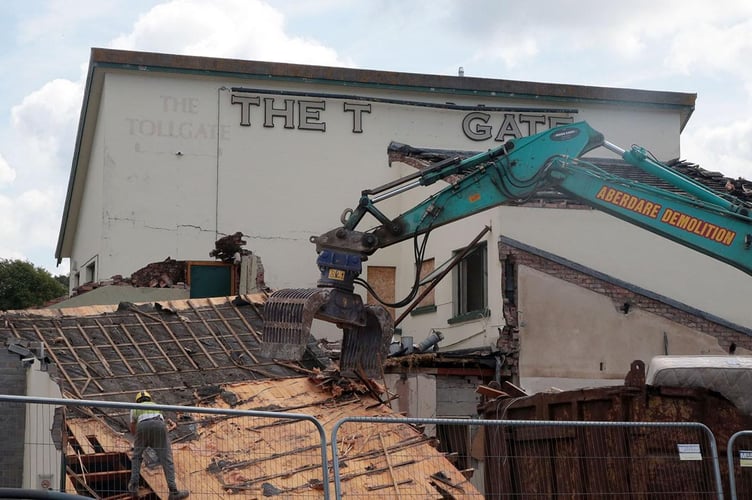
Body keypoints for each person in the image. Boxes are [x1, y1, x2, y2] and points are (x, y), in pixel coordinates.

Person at [128, 391, 189, 499]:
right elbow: (166, 414)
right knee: (166, 459)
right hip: (158, 424)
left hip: (142, 427)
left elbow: (133, 428)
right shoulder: (155, 405)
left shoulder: (134, 407)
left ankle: (133, 488)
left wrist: (139, 439)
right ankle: (173, 492)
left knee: (136, 457)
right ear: (149, 399)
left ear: (137, 400)